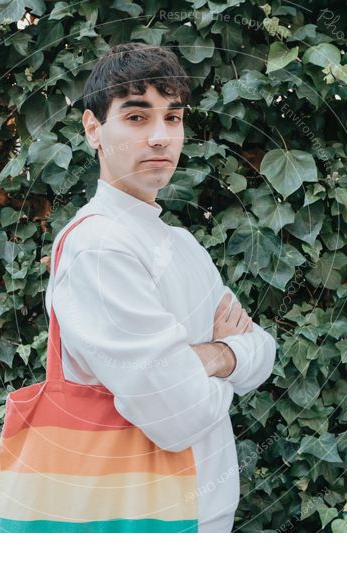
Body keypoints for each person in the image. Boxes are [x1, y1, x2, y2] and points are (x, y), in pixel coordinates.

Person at [45, 42, 277, 532]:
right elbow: (179, 413)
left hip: (203, 519)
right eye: (135, 117)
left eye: (172, 118)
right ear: (93, 129)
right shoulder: (100, 248)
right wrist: (225, 356)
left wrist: (209, 358)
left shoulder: (182, 244)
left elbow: (262, 351)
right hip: (134, 525)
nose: (160, 137)